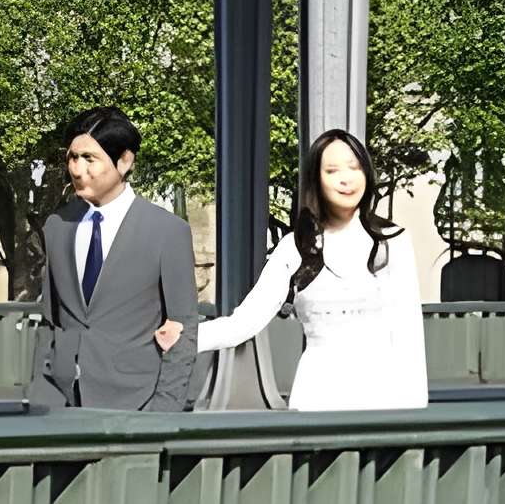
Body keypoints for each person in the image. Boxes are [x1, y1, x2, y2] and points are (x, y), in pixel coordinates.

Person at [168, 128, 428, 412]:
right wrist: (185, 338)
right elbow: (244, 322)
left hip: (382, 400)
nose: (346, 178)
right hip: (317, 399)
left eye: (354, 167)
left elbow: (408, 335)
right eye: (332, 170)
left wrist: (415, 415)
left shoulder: (392, 241)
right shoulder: (295, 246)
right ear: (316, 180)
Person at [27, 105, 202, 412]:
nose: (78, 170)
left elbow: (183, 329)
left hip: (138, 406)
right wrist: (42, 395)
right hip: (60, 406)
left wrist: (161, 412)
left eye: (90, 159)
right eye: (73, 157)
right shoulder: (57, 225)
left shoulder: (167, 231)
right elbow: (50, 319)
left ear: (124, 161)